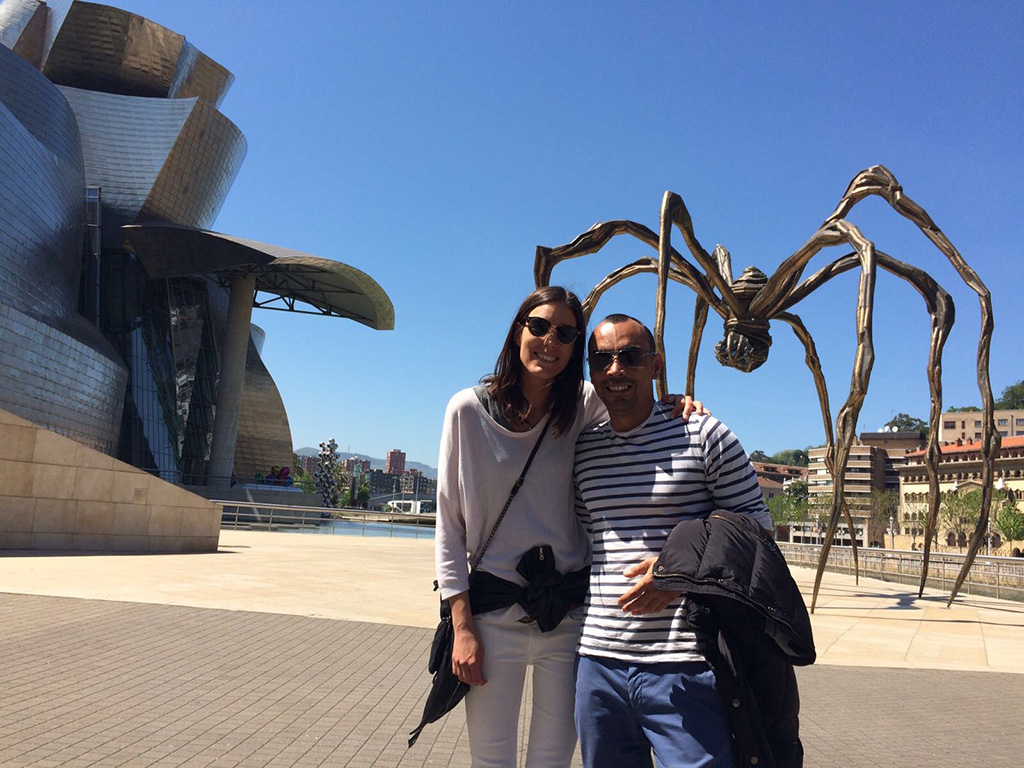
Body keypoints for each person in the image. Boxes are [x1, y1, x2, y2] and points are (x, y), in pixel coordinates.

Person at [435, 288, 702, 767]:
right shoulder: (466, 411)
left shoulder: (585, 404)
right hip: (492, 617)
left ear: (576, 347)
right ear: (517, 330)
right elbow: (449, 526)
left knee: (553, 760)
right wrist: (463, 627)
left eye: (565, 334)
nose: (549, 341)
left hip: (570, 618)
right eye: (539, 327)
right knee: (490, 760)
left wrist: (674, 403)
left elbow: (635, 406)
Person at [572, 313, 772, 768]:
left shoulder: (703, 435)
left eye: (630, 357)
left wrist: (679, 574)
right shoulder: (584, 450)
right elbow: (593, 539)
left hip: (687, 664)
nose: (615, 369)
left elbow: (758, 531)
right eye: (602, 359)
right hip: (598, 664)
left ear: (656, 364)